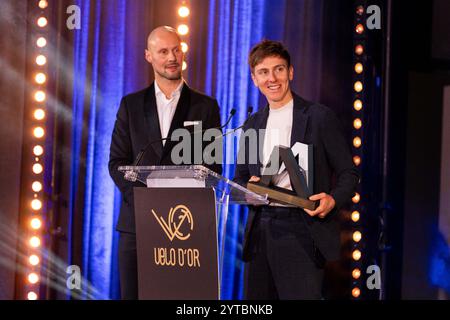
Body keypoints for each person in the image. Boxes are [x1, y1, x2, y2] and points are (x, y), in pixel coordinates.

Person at [234, 39, 359, 299]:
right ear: (254, 79)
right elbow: (241, 178)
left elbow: (349, 173)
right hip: (260, 232)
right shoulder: (251, 125)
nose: (272, 78)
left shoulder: (318, 117)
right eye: (263, 72)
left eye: (279, 69)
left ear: (290, 72)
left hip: (302, 231)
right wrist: (250, 188)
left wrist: (332, 199)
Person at [109, 26, 222, 299]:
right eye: (163, 51)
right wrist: (144, 202)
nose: (172, 57)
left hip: (185, 228)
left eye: (176, 49)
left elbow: (213, 168)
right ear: (149, 56)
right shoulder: (131, 105)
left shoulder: (205, 107)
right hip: (136, 226)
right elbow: (117, 163)